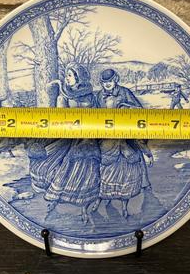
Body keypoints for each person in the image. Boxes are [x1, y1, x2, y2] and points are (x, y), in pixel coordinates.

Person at [41, 62, 101, 224]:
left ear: (78, 77)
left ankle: (86, 206)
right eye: (66, 75)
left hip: (90, 137)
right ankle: (58, 202)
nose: (67, 79)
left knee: (91, 170)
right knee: (68, 167)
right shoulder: (64, 96)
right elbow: (61, 119)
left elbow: (99, 114)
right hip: (73, 138)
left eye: (70, 75)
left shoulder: (90, 95)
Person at [93, 69, 153, 219]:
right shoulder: (99, 95)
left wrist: (126, 108)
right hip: (106, 136)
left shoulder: (125, 92)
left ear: (116, 80)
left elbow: (140, 111)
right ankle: (102, 198)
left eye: (110, 81)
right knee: (105, 169)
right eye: (105, 82)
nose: (107, 85)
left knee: (127, 170)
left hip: (124, 134)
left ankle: (125, 204)